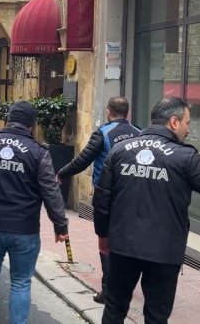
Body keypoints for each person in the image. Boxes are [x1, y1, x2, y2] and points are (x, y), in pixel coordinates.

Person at [94, 97, 200, 324]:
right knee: (156, 317)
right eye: (186, 122)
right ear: (174, 122)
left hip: (123, 246)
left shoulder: (120, 151)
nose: (188, 129)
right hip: (163, 253)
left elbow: (102, 198)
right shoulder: (186, 157)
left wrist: (103, 236)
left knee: (114, 310)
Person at [0, 101, 69, 324]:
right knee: (20, 281)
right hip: (24, 228)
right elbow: (51, 191)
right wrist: (60, 226)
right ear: (31, 124)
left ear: (8, 119)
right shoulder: (38, 152)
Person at [57, 96, 140, 303]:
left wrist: (61, 173)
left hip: (108, 197)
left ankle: (108, 290)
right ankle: (123, 286)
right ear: (128, 114)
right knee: (129, 241)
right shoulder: (140, 133)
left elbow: (83, 161)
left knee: (106, 242)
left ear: (108, 113)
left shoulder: (103, 133)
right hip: (134, 196)